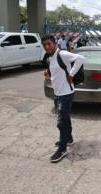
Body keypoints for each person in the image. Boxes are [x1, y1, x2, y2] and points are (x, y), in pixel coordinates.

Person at [42, 35, 84, 163]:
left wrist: (71, 74)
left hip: (66, 93)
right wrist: (48, 72)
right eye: (44, 44)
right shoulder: (51, 57)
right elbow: (57, 71)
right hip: (58, 93)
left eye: (49, 43)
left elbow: (81, 58)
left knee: (61, 122)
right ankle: (69, 138)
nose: (47, 46)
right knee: (65, 117)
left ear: (55, 43)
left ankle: (62, 148)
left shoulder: (63, 54)